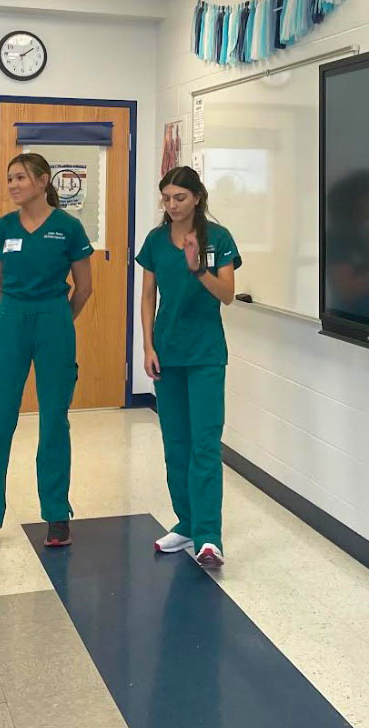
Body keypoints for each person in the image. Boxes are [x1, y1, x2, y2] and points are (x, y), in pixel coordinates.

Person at [0, 153, 94, 553]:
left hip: (55, 320)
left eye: (20, 177)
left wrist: (59, 319)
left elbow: (84, 287)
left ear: (42, 182)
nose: (13, 185)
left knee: (54, 419)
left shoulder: (68, 228)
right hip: (10, 321)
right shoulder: (2, 228)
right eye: (9, 179)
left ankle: (57, 513)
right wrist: (10, 315)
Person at [137, 166, 242, 569]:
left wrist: (199, 267)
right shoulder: (155, 241)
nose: (172, 205)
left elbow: (228, 294)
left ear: (197, 197)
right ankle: (186, 522)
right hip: (167, 352)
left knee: (203, 445)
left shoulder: (218, 238)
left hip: (206, 354)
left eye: (179, 198)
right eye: (166, 198)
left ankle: (209, 537)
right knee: (175, 444)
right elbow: (148, 297)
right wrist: (147, 345)